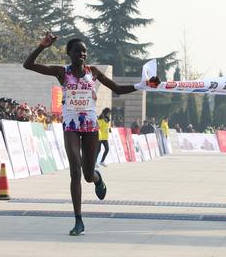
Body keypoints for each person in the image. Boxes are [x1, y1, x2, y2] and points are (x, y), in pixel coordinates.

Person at [24, 32, 159, 236]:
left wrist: (142, 85)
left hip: (90, 126)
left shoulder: (93, 72)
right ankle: (78, 220)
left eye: (84, 51)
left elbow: (118, 89)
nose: (82, 54)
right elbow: (28, 65)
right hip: (70, 124)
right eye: (77, 51)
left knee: (87, 175)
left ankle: (97, 178)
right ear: (69, 53)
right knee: (75, 171)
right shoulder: (62, 72)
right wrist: (42, 46)